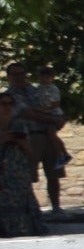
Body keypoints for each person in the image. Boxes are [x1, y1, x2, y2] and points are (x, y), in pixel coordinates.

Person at [5, 61, 66, 217]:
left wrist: (58, 118)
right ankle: (30, 209)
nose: (19, 77)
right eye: (15, 74)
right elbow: (28, 113)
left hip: (47, 134)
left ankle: (56, 208)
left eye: (21, 73)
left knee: (53, 174)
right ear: (9, 76)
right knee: (28, 175)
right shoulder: (9, 96)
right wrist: (54, 120)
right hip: (29, 136)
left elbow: (51, 104)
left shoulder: (36, 90)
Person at [0, 91, 44, 237]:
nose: (7, 107)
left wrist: (19, 141)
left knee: (21, 199)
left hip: (17, 168)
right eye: (3, 104)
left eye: (10, 104)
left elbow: (29, 151)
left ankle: (22, 228)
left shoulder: (18, 124)